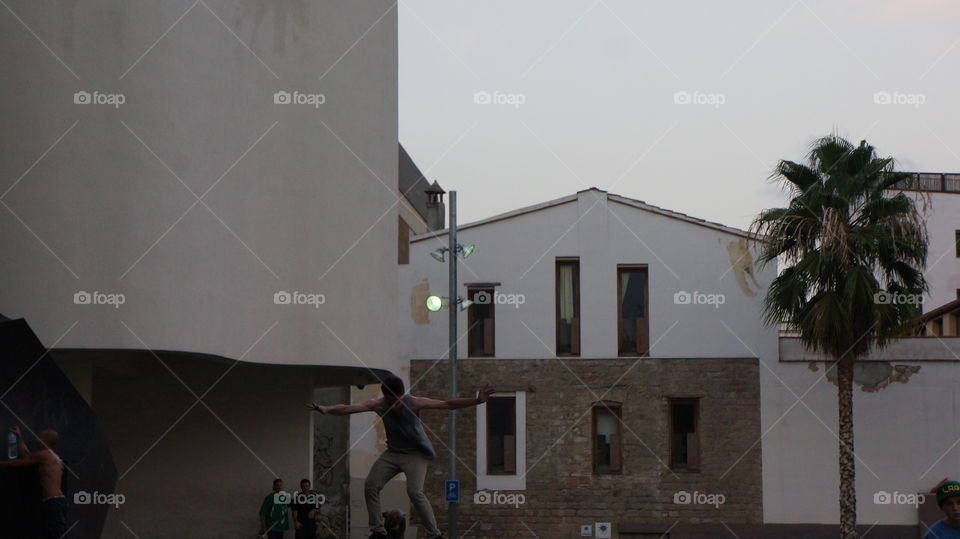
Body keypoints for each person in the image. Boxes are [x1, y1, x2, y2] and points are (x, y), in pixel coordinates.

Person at [307, 375, 494, 539]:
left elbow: (447, 404)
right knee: (371, 486)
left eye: (399, 400)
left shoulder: (414, 402)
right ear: (386, 397)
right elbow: (349, 408)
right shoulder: (378, 404)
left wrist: (476, 401)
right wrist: (327, 408)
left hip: (416, 455)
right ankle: (378, 531)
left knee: (414, 492)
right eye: (393, 402)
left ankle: (434, 534)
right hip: (393, 453)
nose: (397, 405)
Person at [1, 426, 65, 539]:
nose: (36, 439)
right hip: (53, 502)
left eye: (39, 437)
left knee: (55, 535)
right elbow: (28, 457)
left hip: (54, 503)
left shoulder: (44, 455)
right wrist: (19, 438)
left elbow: (17, 463)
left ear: (44, 440)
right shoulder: (49, 456)